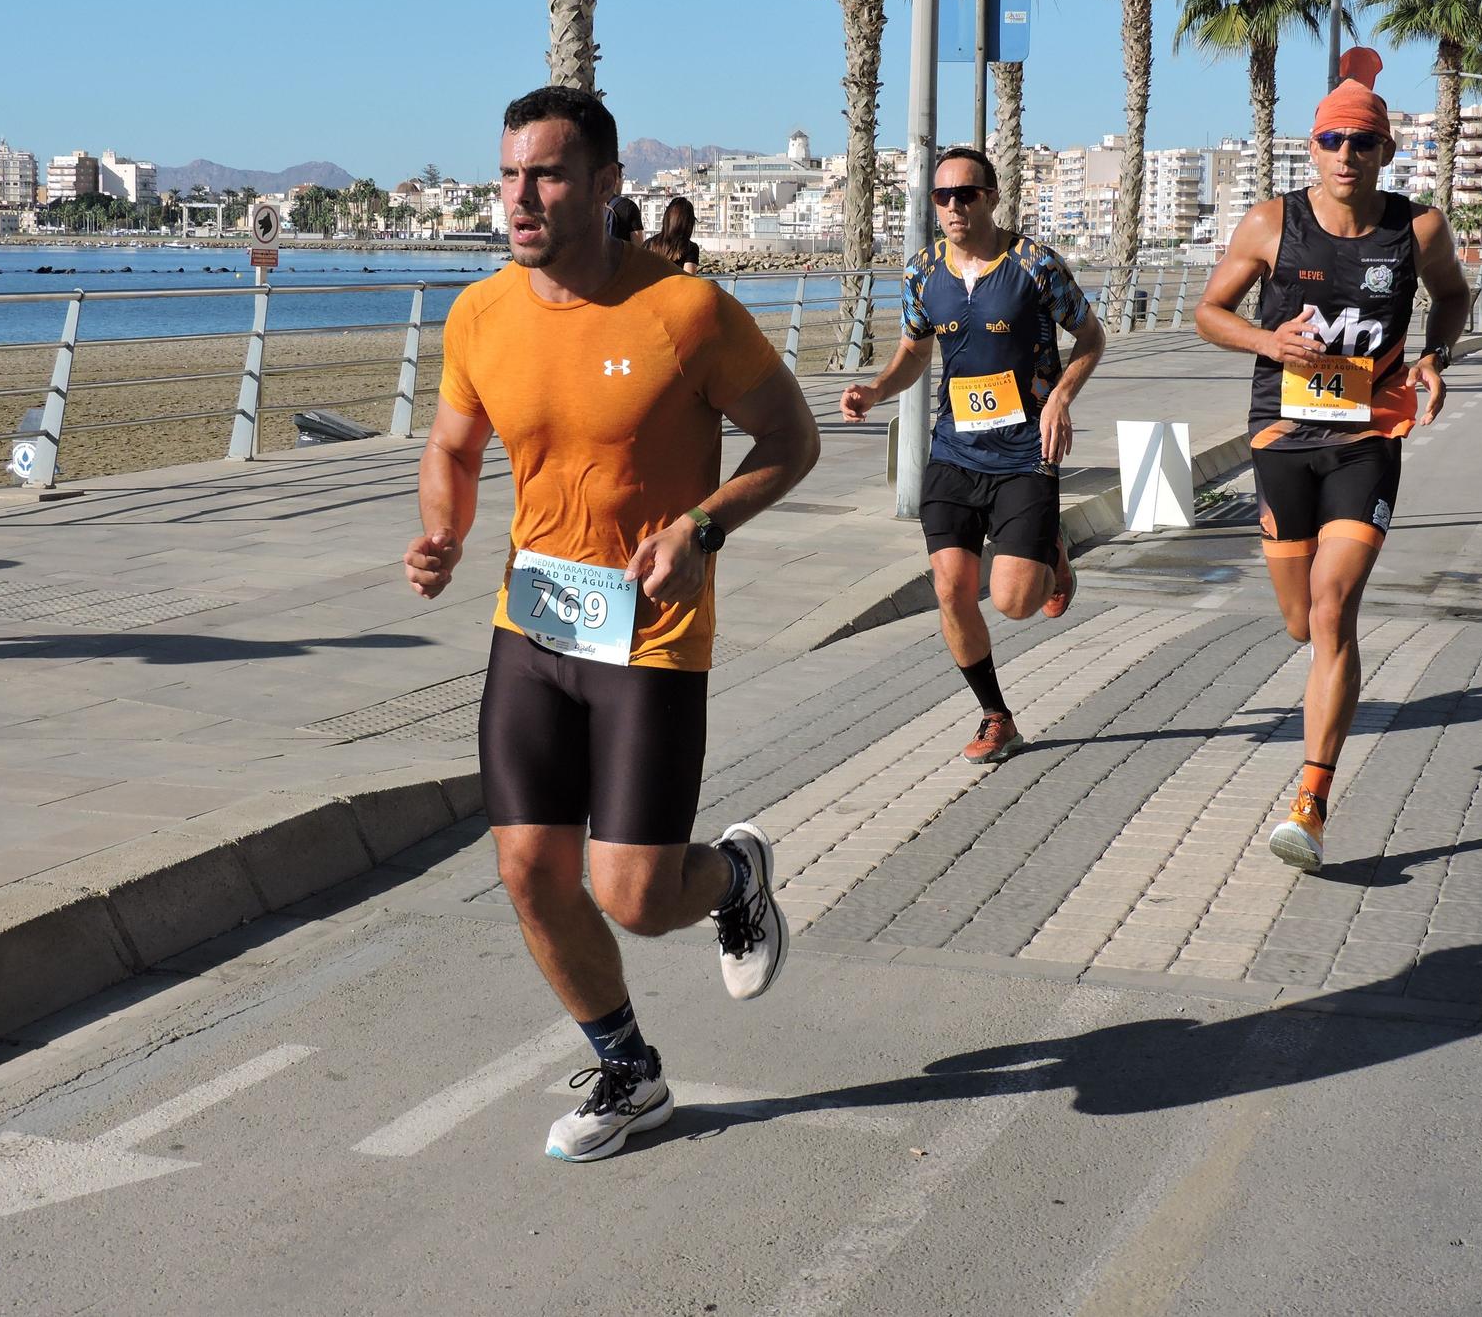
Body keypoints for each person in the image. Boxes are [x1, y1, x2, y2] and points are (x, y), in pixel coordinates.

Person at [403, 86, 821, 1162]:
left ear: (602, 185)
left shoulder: (684, 312)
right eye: (507, 174)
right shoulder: (481, 314)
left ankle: (733, 877)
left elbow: (790, 439)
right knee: (529, 871)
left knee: (631, 897)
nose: (520, 197)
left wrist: (701, 526)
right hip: (532, 625)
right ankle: (627, 1069)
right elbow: (452, 448)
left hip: (649, 635)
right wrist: (444, 534)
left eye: (543, 174)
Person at [1193, 47, 1470, 873]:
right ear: (1310, 148)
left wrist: (1435, 357)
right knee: (1297, 619)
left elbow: (1452, 296)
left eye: (1362, 142)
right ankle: (1321, 715)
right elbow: (1210, 311)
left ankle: (1311, 799)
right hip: (1282, 437)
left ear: (1385, 151)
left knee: (1333, 609)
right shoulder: (1270, 224)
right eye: (1331, 141)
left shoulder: (1415, 228)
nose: (1346, 156)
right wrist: (1265, 338)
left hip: (1367, 437)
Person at [839, 145, 1104, 764]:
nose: (953, 206)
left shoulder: (1035, 264)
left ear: (991, 197)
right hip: (954, 451)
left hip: (1024, 452)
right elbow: (913, 353)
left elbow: (1090, 337)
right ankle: (995, 714)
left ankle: (1051, 552)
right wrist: (876, 389)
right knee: (952, 589)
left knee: (1014, 602)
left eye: (966, 194)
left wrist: (1060, 397)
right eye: (942, 197)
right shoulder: (921, 272)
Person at [646, 195, 703, 274]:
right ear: (688, 223)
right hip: (674, 286)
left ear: (666, 219)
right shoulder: (690, 248)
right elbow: (689, 281)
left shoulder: (649, 244)